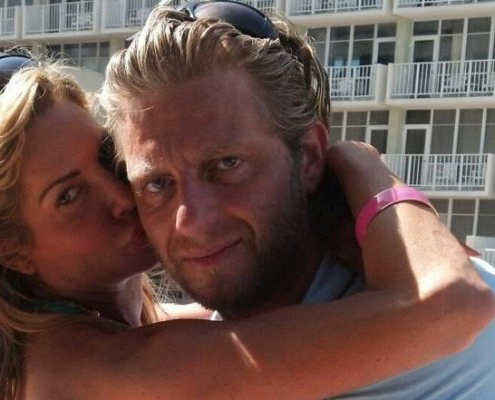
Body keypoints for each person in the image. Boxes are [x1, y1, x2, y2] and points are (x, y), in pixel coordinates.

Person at [0, 52, 493, 400]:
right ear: (11, 252)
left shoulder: (117, 338)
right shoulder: (103, 372)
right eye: (70, 196)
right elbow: (452, 305)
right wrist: (360, 166)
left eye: (108, 160)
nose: (122, 195)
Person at [99, 1, 495, 398]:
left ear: (308, 157)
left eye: (227, 164)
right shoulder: (204, 349)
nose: (192, 221)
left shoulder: (449, 332)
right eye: (157, 184)